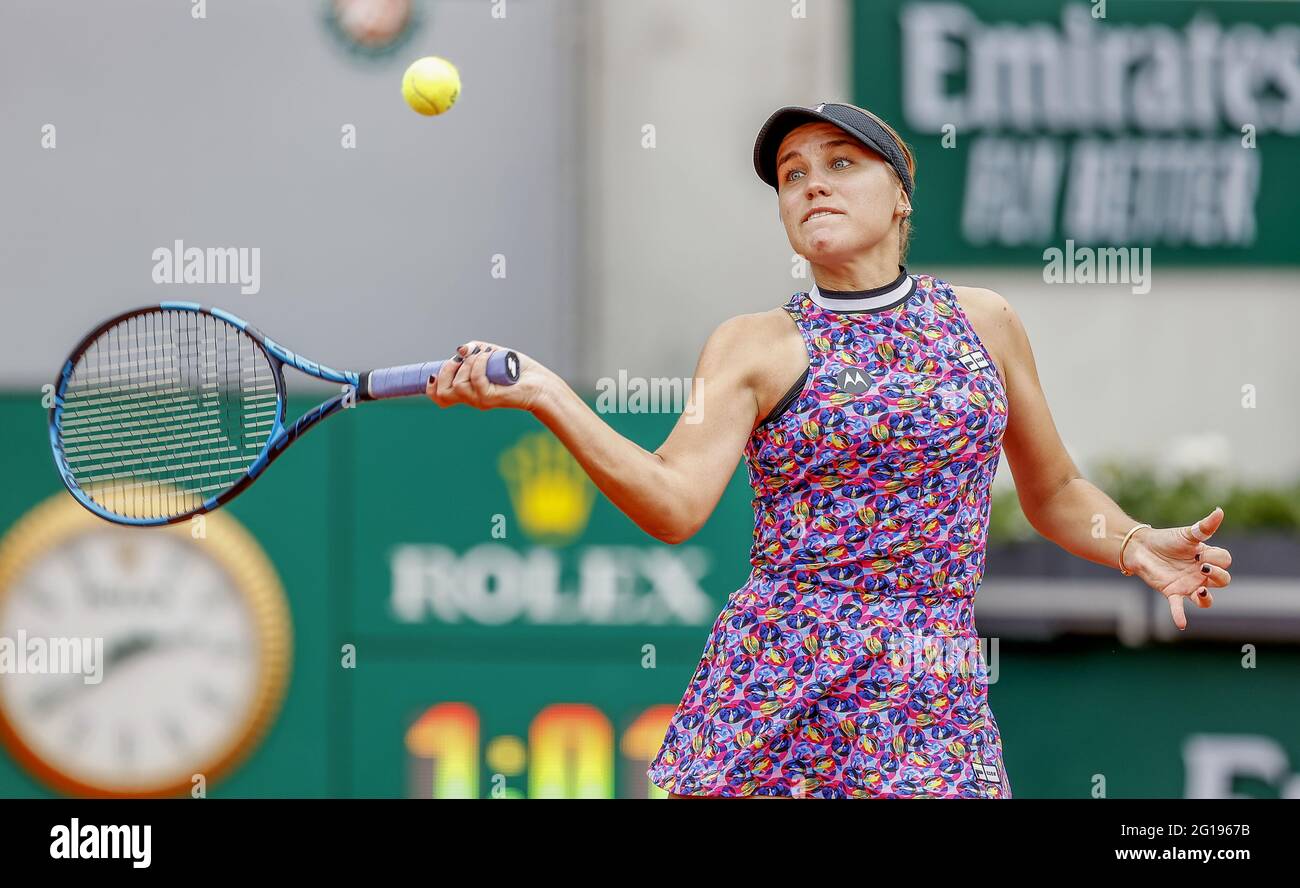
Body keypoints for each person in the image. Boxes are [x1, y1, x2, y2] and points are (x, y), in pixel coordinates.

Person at [424, 101, 1234, 799]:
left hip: (929, 678)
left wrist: (1131, 543)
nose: (812, 182)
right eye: (791, 173)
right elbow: (673, 500)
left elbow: (1053, 491)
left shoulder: (985, 321)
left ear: (900, 196)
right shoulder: (751, 345)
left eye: (841, 163)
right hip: (777, 676)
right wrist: (546, 393)